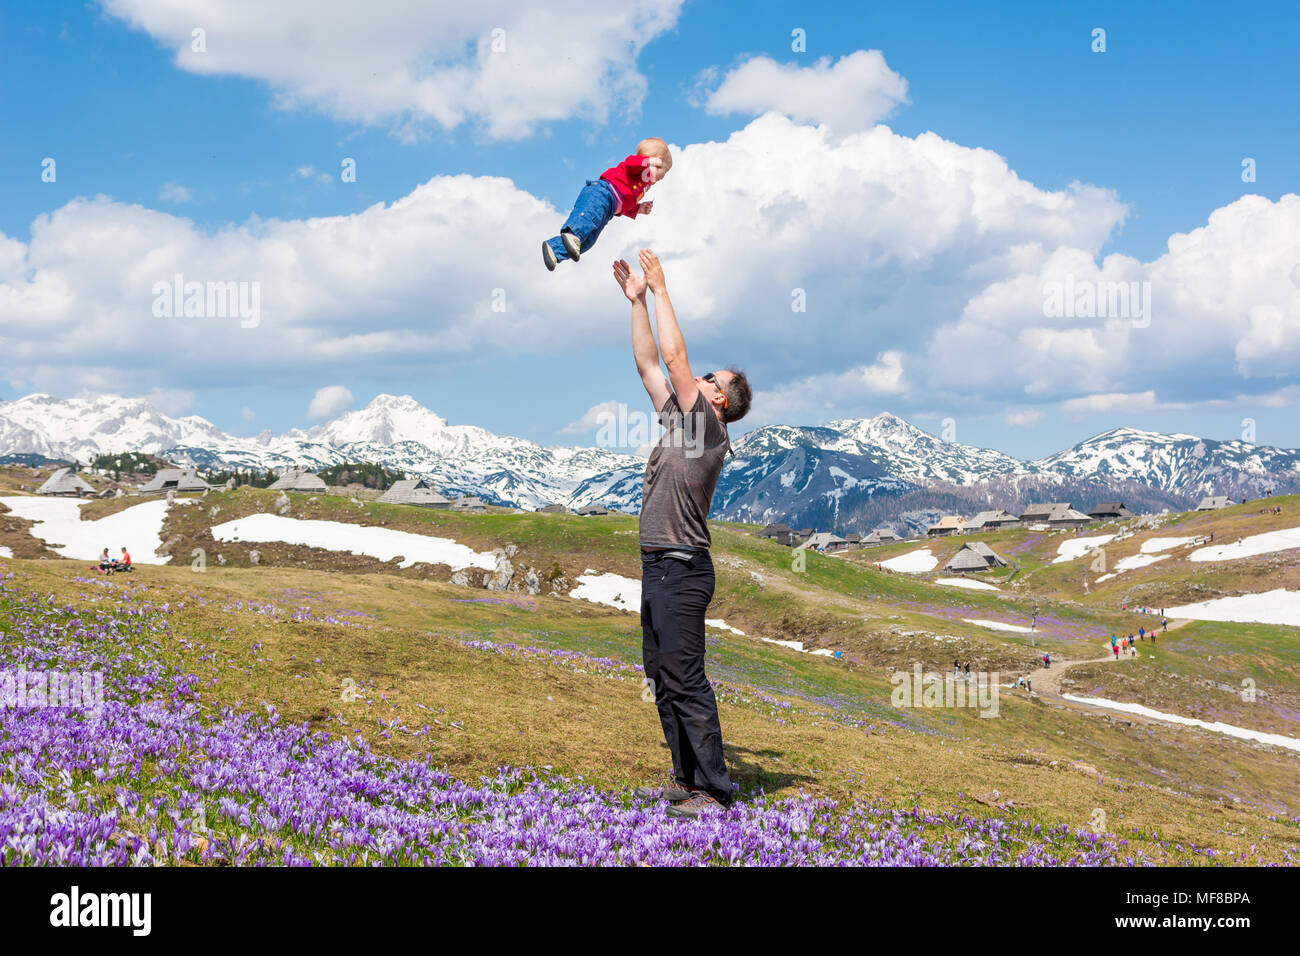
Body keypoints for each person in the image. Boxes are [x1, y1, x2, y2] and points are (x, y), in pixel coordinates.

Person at [615, 249, 752, 820]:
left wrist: (665, 289)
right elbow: (650, 364)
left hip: (683, 567)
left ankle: (715, 792)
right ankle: (686, 777)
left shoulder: (707, 426)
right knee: (661, 674)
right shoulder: (680, 417)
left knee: (684, 675)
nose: (699, 378)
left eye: (709, 379)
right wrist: (638, 302)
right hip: (658, 566)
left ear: (720, 399)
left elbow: (674, 357)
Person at [543, 138, 671, 271]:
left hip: (609, 209)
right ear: (658, 160)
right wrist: (652, 162)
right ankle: (572, 234)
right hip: (601, 193)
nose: (663, 176)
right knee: (586, 220)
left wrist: (638, 209)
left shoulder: (640, 187)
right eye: (665, 170)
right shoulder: (637, 167)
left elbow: (624, 202)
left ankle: (554, 250)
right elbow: (631, 163)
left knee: (587, 241)